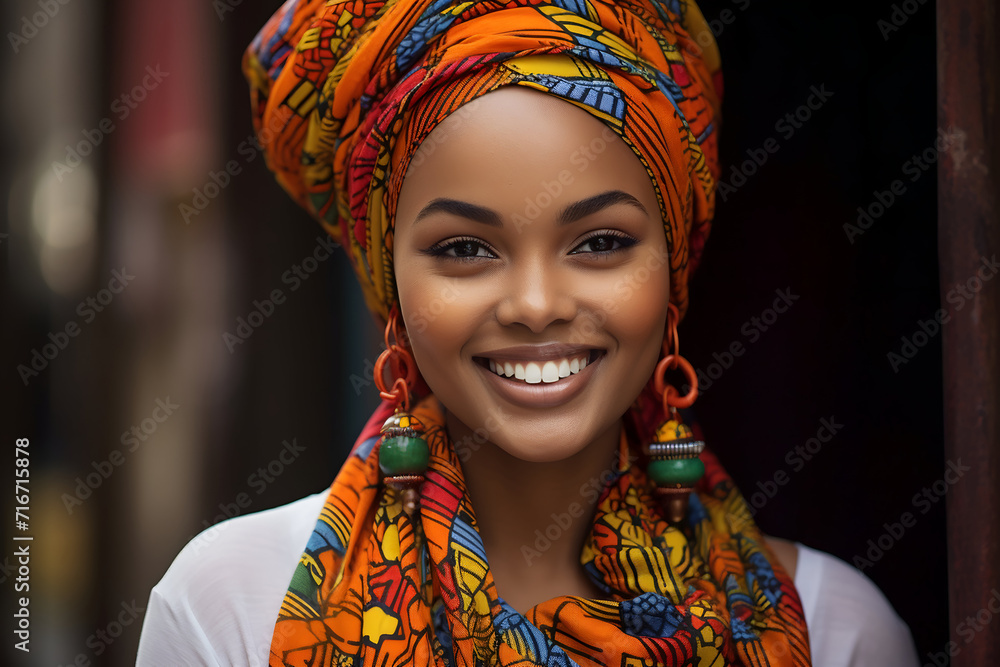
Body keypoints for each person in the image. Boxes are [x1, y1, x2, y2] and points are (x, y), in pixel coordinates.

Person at [137, 0, 920, 665]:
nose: (537, 304)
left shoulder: (837, 632)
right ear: (389, 280)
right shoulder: (231, 611)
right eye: (464, 248)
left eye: (601, 242)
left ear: (674, 267)